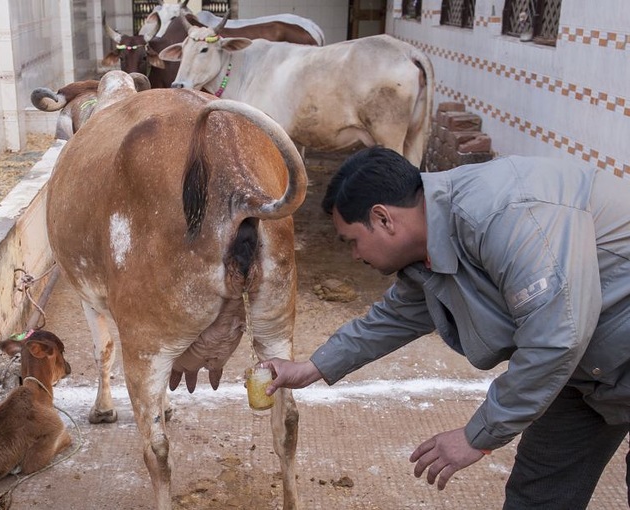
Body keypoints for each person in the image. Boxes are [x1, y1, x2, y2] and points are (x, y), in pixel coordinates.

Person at [261, 147, 630, 509]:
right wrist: (312, 368)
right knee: (540, 492)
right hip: (585, 373)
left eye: (353, 241)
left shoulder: (502, 213)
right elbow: (395, 316)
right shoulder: (429, 248)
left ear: (384, 218)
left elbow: (556, 338)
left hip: (598, 352)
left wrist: (476, 436)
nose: (356, 256)